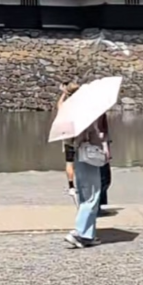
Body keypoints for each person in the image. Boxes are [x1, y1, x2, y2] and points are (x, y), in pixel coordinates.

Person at [65, 113, 110, 248]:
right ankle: (80, 233)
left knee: (86, 195)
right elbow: (89, 135)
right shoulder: (85, 115)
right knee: (91, 196)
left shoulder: (69, 115)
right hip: (88, 155)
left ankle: (88, 234)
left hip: (79, 155)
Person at [56, 83, 80, 204]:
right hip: (80, 134)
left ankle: (71, 186)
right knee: (81, 160)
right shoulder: (80, 105)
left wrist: (64, 93)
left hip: (68, 134)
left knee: (69, 162)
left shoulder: (66, 106)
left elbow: (59, 105)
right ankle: (82, 184)